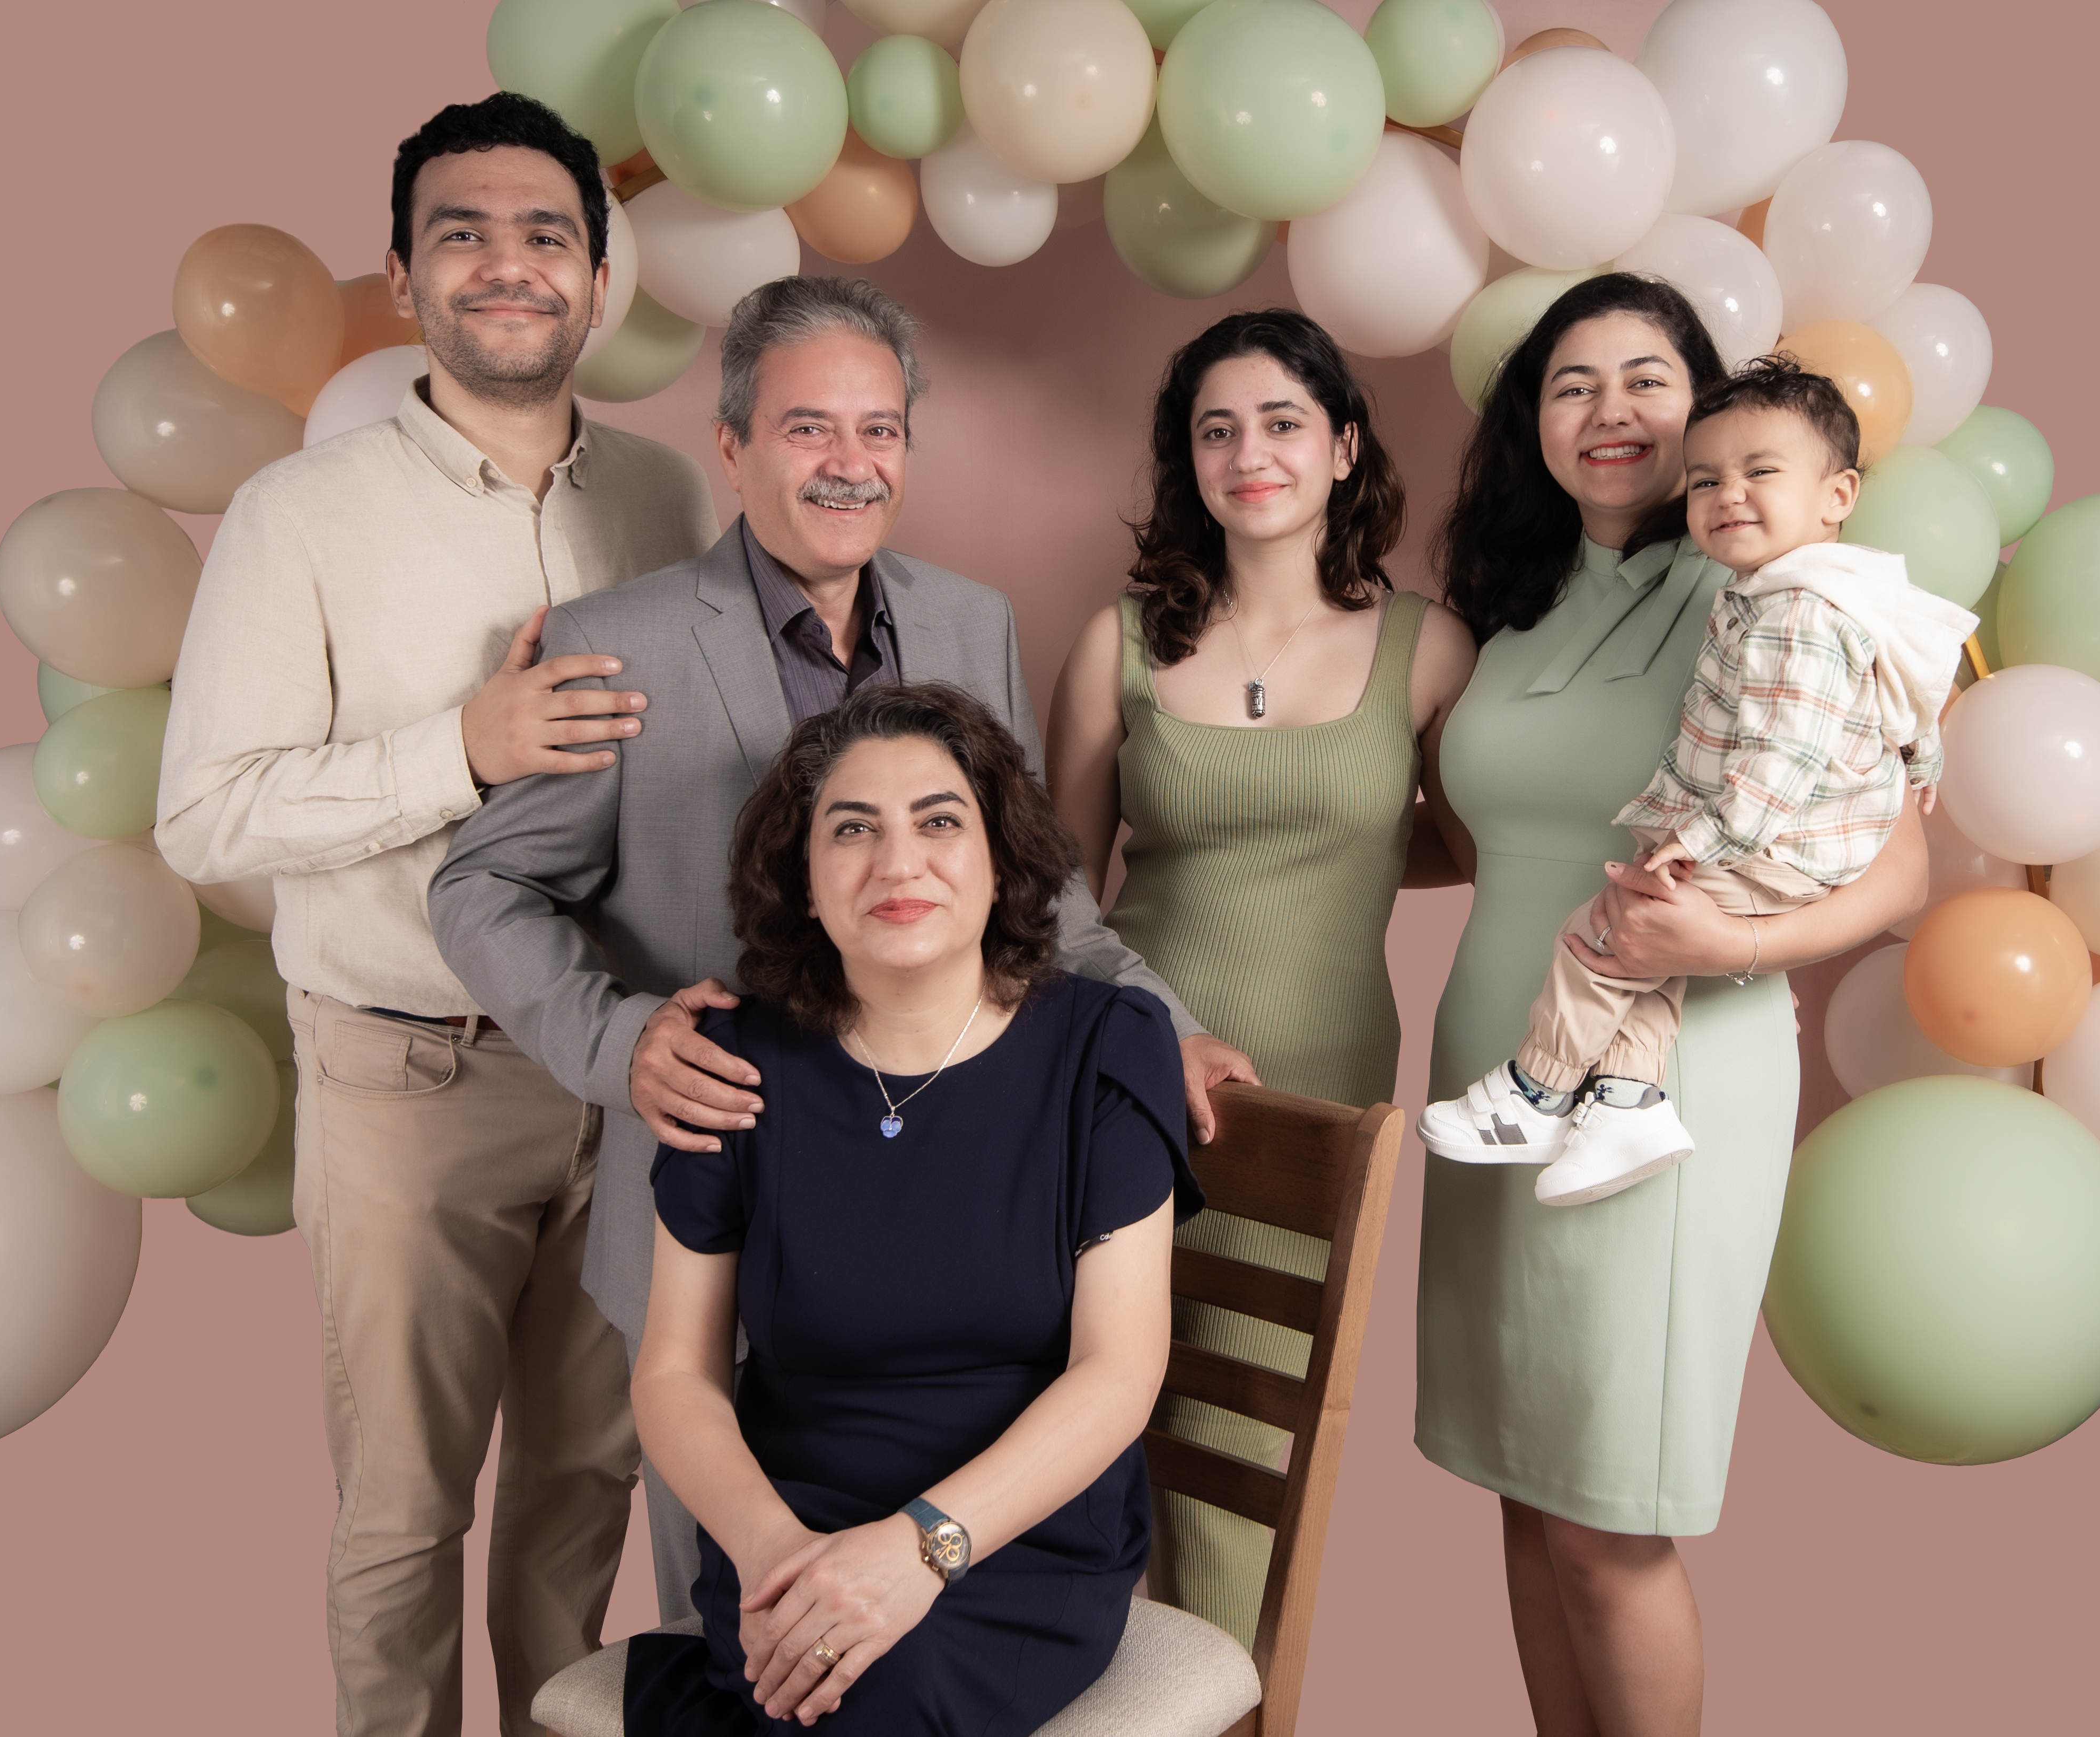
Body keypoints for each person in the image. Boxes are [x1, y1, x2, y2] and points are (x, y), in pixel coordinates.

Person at [428, 275, 1249, 1629]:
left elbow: (1043, 902)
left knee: (928, 1604)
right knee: (745, 1622)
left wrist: (1166, 1024)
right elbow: (483, 887)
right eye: (807, 428)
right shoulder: (614, 643)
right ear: (732, 444)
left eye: (879, 430)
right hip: (717, 1215)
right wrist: (620, 1040)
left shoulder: (971, 624)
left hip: (942, 1232)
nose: (848, 463)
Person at [154, 94, 720, 1737]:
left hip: (626, 1073)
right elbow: (204, 815)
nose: (507, 264)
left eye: (546, 233)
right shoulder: (298, 513)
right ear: (403, 278)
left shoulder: (673, 498)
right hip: (411, 1073)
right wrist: (460, 750)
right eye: (461, 234)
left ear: (600, 277)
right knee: (406, 1510)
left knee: (587, 1481)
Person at [1417, 274, 1931, 1737]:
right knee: (1525, 1486)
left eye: (1646, 378)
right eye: (1571, 384)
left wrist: (1730, 937)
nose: (1610, 411)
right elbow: (1470, 834)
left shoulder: (1772, 586)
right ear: (1533, 422)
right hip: (1496, 1059)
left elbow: (1900, 862)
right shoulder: (1508, 607)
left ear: (1702, 407)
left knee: (1608, 1515)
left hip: (1672, 1071)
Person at [620, 681, 1200, 1735]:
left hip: (1020, 1530)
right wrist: (776, 1554)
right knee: (821, 1672)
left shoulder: (1108, 1050)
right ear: (803, 880)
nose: (898, 863)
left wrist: (921, 1548)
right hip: (786, 1527)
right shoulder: (730, 1063)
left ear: (999, 861)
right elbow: (673, 1373)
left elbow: (1118, 1372)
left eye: (939, 822)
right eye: (852, 830)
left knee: (868, 1697)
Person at [1046, 308, 1476, 1647]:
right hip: (1119, 1080)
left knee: (1245, 1439)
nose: (1250, 455)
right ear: (1188, 459)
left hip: (1313, 1092)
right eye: (1216, 429)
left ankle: (1224, 1709)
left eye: (1282, 423)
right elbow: (1053, 893)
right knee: (1079, 1419)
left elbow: (1464, 845)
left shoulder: (1429, 649)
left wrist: (1340, 856)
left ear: (1342, 446)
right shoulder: (1115, 642)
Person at [1423, 355, 1974, 1206]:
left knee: (1609, 927)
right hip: (1768, 842)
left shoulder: (1796, 612)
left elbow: (1787, 759)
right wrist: (1925, 751)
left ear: (1838, 495)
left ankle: (1538, 1092)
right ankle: (1626, 1104)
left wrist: (1703, 841)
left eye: (1761, 473)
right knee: (1647, 953)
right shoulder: (1804, 593)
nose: (1729, 496)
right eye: (1708, 479)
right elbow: (1900, 677)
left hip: (1772, 846)